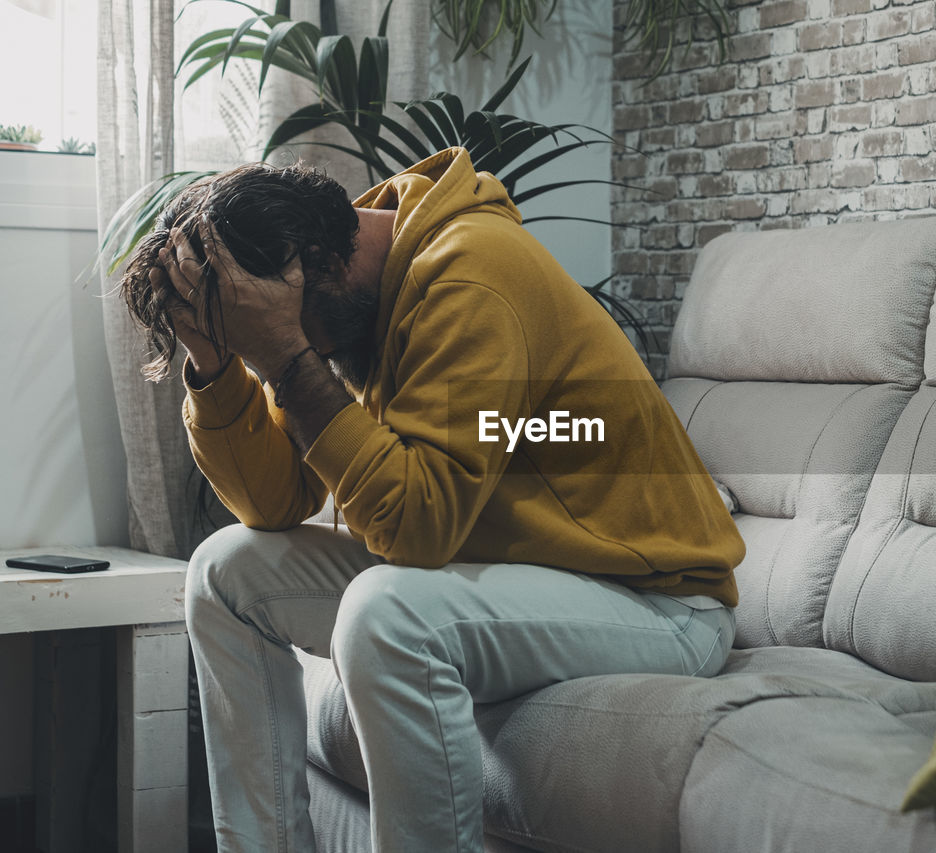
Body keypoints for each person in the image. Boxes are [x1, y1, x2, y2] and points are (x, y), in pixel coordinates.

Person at [118, 147, 744, 853]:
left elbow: (418, 528)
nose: (284, 354)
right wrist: (214, 360)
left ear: (317, 259)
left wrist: (288, 358)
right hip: (504, 578)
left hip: (656, 602)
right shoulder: (326, 290)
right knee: (224, 572)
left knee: (387, 612)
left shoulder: (473, 273)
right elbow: (272, 503)